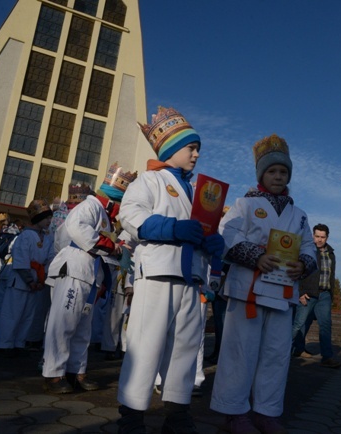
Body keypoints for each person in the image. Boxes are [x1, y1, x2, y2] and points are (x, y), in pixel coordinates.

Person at [116, 107, 224, 434]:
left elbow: (199, 230)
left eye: (197, 148)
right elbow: (129, 216)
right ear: (170, 149)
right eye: (191, 147)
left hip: (191, 280)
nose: (196, 153)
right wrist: (172, 229)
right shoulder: (149, 180)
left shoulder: (198, 191)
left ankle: (177, 413)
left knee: (185, 351)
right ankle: (132, 417)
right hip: (158, 276)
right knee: (145, 347)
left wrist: (212, 243)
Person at [210, 134, 317, 434]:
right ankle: (234, 411)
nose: (278, 176)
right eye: (272, 171)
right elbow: (227, 235)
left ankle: (266, 412)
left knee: (276, 354)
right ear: (261, 174)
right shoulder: (244, 204)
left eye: (283, 172)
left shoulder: (299, 214)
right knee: (240, 351)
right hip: (248, 290)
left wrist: (304, 263)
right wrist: (255, 255)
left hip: (283, 292)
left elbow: (309, 246)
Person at [43, 165, 136, 394]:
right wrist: (110, 246)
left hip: (90, 273)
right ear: (115, 200)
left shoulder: (104, 215)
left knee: (82, 327)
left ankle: (77, 371)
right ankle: (54, 374)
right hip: (75, 268)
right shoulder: (91, 205)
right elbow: (76, 227)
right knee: (63, 323)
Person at [0, 200, 55, 358]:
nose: (49, 221)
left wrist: (42, 280)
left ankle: (19, 343)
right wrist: (30, 280)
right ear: (37, 218)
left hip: (37, 281)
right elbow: (21, 260)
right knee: (12, 313)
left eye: (50, 218)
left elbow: (49, 259)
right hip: (21, 282)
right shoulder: (25, 236)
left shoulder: (46, 238)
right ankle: (4, 344)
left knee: (28, 315)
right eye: (46, 218)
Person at [291, 223, 341, 367]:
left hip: (324, 294)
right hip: (308, 293)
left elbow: (331, 275)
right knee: (298, 324)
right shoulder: (307, 250)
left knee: (326, 325)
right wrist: (300, 292)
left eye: (322, 237)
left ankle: (327, 357)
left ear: (327, 237)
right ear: (313, 235)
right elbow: (299, 272)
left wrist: (331, 295)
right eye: (317, 236)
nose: (319, 240)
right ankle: (284, 352)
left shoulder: (331, 253)